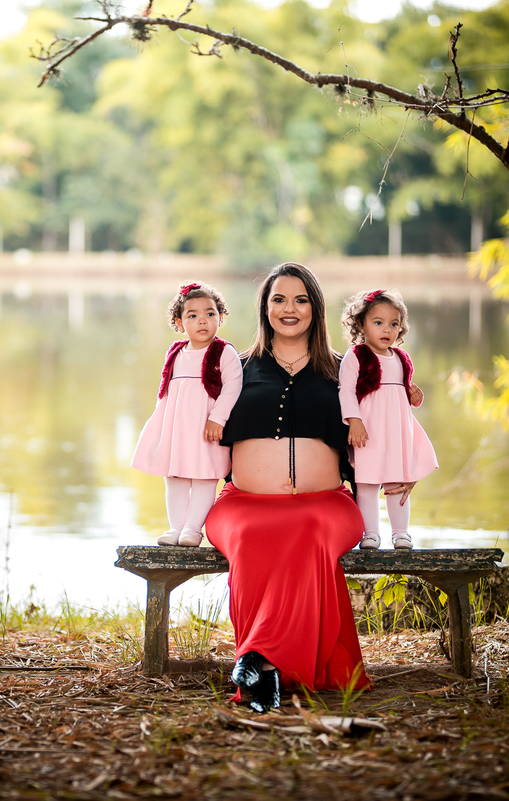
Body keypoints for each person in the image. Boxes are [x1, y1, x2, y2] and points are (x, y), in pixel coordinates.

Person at [207, 263, 373, 713]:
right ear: (264, 307)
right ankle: (266, 664)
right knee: (252, 535)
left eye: (301, 299)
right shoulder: (236, 370)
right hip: (243, 505)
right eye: (279, 299)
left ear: (316, 309)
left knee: (309, 529)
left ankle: (257, 661)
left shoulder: (346, 371)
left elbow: (388, 423)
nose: (289, 309)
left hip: (327, 505)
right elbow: (186, 423)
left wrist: (404, 468)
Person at [131, 281, 243, 547]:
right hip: (178, 427)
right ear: (179, 323)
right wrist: (161, 425)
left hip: (207, 427)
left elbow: (233, 387)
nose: (202, 321)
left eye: (209, 313)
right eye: (192, 315)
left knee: (204, 475)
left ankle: (193, 528)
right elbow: (168, 392)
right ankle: (176, 526)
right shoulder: (177, 352)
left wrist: (218, 418)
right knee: (175, 475)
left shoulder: (223, 351)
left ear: (220, 317)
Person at [338, 289, 438, 551]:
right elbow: (346, 390)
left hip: (397, 431)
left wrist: (415, 397)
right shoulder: (357, 356)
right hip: (369, 430)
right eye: (378, 322)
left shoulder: (402, 358)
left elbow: (404, 395)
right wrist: (354, 421)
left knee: (398, 483)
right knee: (368, 483)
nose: (387, 329)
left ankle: (401, 533)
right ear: (361, 325)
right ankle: (370, 533)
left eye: (394, 324)